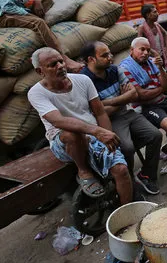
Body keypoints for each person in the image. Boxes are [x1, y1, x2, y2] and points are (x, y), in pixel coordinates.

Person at [28, 47, 132, 203]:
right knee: (72, 133)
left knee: (121, 170)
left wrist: (107, 137)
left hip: (92, 135)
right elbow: (58, 121)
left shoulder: (83, 80)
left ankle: (128, 216)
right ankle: (83, 171)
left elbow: (100, 113)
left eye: (61, 61)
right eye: (53, 64)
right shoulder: (36, 93)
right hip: (64, 142)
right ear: (40, 71)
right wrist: (97, 131)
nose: (60, 66)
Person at [80, 42, 163, 195]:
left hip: (126, 113)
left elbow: (134, 94)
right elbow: (98, 112)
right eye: (104, 55)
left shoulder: (115, 69)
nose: (110, 58)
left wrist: (107, 102)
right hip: (109, 120)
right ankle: (129, 181)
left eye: (110, 53)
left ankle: (146, 175)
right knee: (127, 147)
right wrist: (121, 99)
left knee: (155, 135)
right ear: (91, 59)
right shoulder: (84, 80)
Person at [137, 4, 167, 84]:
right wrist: (152, 52)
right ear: (148, 15)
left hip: (162, 58)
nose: (157, 14)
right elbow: (140, 43)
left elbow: (165, 34)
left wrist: (166, 47)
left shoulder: (157, 25)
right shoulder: (142, 28)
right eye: (155, 12)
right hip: (152, 60)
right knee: (159, 82)